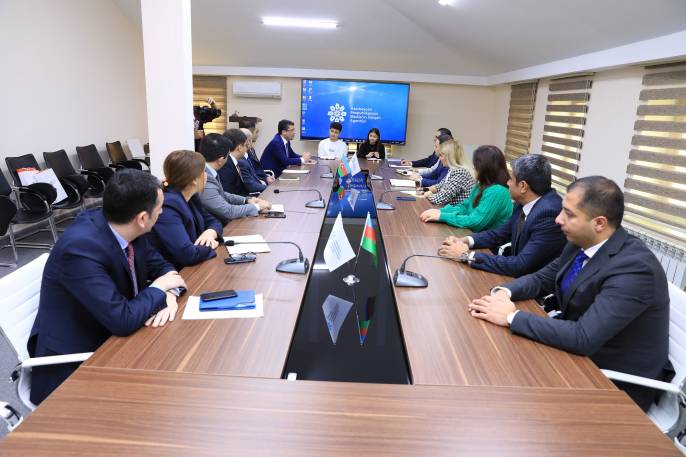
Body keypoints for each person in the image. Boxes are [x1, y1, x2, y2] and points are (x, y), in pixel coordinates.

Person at [467, 176, 671, 412]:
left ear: (599, 223)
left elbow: (583, 337)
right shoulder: (582, 242)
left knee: (512, 396)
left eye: (569, 214)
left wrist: (511, 317)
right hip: (579, 356)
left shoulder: (635, 268)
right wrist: (504, 292)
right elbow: (542, 278)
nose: (558, 219)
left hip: (614, 383)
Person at [27, 169, 186, 405]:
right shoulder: (80, 249)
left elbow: (163, 267)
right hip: (75, 366)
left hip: (114, 338)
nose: (162, 212)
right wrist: (159, 288)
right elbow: (122, 319)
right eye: (160, 207)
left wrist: (169, 293)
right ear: (143, 218)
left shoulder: (127, 226)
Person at [437, 154, 566, 277]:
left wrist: (466, 256)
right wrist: (465, 240)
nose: (507, 182)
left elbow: (521, 265)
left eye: (511, 179)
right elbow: (500, 234)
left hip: (534, 286)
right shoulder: (524, 201)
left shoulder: (548, 214)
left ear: (523, 186)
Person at [150, 150, 223, 269]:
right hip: (176, 272)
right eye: (203, 172)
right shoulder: (168, 205)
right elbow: (188, 255)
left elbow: (214, 222)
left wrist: (210, 232)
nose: (206, 176)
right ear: (194, 179)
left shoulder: (191, 197)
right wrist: (210, 245)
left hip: (194, 267)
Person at [420, 145, 511, 232]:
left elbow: (475, 222)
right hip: (473, 235)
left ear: (485, 168)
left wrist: (442, 216)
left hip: (486, 241)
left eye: (476, 165)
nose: (473, 168)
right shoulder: (481, 185)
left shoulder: (498, 191)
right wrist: (440, 211)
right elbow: (464, 207)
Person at [198, 133, 272, 225]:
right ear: (220, 160)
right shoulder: (205, 179)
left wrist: (246, 200)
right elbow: (228, 211)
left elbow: (222, 194)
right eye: (228, 155)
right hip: (215, 226)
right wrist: (257, 207)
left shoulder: (209, 171)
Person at [423, 138, 474, 206]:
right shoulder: (452, 170)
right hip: (449, 209)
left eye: (441, 155)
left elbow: (440, 199)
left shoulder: (460, 173)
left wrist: (428, 194)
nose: (440, 158)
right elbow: (439, 186)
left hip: (456, 211)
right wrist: (424, 189)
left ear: (450, 157)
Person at [217, 129, 266, 195]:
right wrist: (248, 200)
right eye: (245, 145)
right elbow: (229, 194)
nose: (247, 148)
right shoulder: (227, 165)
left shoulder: (233, 161)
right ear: (239, 147)